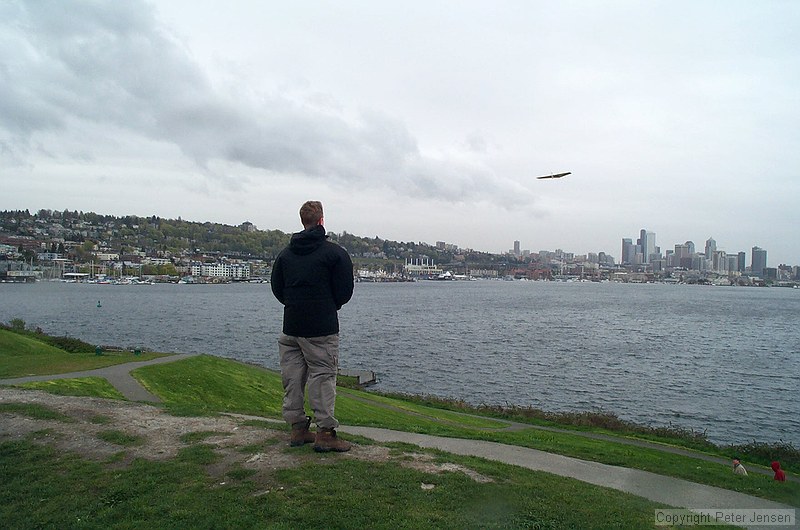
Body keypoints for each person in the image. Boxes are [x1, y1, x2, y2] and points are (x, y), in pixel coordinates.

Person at [270, 201, 354, 452]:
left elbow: (277, 288)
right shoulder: (335, 254)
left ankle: (297, 428)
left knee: (292, 377)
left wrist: (296, 303)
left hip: (292, 324)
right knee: (323, 376)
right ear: (321, 221)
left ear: (302, 221)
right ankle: (325, 432)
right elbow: (344, 292)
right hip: (321, 326)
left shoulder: (285, 254)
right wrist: (328, 305)